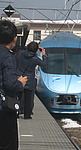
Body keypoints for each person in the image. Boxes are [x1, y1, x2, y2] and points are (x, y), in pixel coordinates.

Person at [0, 20, 27, 150]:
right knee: (8, 144)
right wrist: (20, 83)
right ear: (15, 38)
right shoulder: (7, 56)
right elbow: (10, 84)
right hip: (4, 110)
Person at [16, 41, 47, 119]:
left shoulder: (20, 53)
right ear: (36, 50)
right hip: (29, 80)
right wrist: (44, 55)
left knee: (17, 97)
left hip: (19, 78)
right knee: (28, 99)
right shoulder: (35, 59)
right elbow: (44, 64)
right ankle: (27, 115)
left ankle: (16, 112)